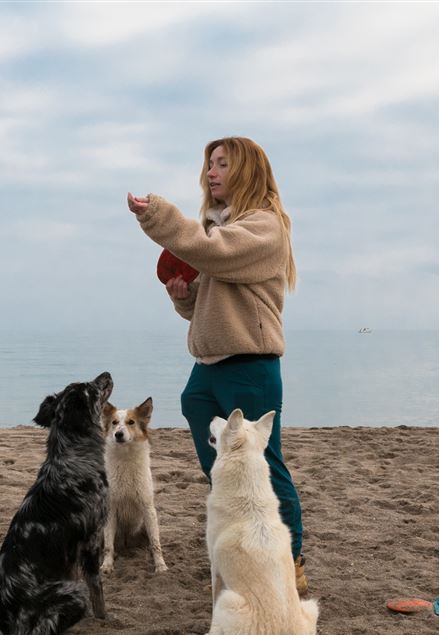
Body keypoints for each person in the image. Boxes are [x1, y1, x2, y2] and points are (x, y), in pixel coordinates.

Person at [127, 136, 308, 595]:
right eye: (209, 164)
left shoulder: (264, 227)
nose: (211, 172)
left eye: (223, 164)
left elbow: (215, 252)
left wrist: (158, 215)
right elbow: (210, 303)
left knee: (261, 466)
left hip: (250, 365)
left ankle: (291, 564)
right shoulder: (217, 229)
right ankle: (248, 548)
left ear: (246, 171)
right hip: (207, 367)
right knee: (227, 475)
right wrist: (184, 300)